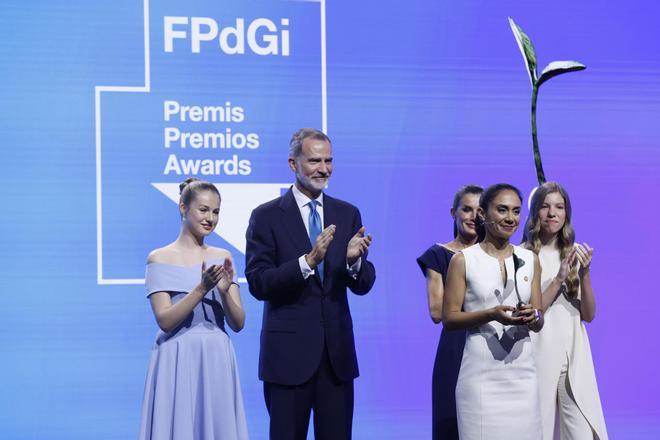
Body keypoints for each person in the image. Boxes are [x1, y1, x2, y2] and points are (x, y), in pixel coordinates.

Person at [245, 128, 376, 440]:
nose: (324, 168)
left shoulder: (347, 213)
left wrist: (353, 261)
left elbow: (363, 283)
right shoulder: (266, 217)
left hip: (337, 357)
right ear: (293, 164)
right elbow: (258, 282)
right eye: (315, 160)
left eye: (329, 160)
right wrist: (308, 261)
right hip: (288, 358)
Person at [139, 178, 248, 440]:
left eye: (216, 211)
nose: (210, 218)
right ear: (183, 208)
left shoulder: (223, 256)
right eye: (203, 210)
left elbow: (238, 323)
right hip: (177, 355)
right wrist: (201, 289)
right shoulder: (160, 257)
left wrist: (223, 291)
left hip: (216, 356)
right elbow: (165, 320)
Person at [443, 183, 544, 440]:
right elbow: (450, 318)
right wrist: (491, 314)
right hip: (480, 379)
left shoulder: (530, 259)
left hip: (523, 377)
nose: (510, 218)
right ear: (483, 214)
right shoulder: (464, 260)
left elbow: (539, 317)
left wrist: (535, 316)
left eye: (516, 211)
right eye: (502, 210)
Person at [522, 182, 608, 440]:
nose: (552, 213)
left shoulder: (573, 253)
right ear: (535, 212)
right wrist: (558, 279)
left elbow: (589, 315)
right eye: (545, 207)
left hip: (574, 355)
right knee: (540, 429)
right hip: (538, 353)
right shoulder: (524, 255)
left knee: (581, 431)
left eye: (559, 207)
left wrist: (584, 273)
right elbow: (532, 313)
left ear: (567, 213)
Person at [416, 184, 483, 440]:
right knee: (452, 423)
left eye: (479, 211)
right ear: (454, 212)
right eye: (466, 209)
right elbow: (437, 311)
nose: (472, 217)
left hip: (492, 346)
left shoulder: (498, 256)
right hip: (456, 348)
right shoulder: (437, 255)